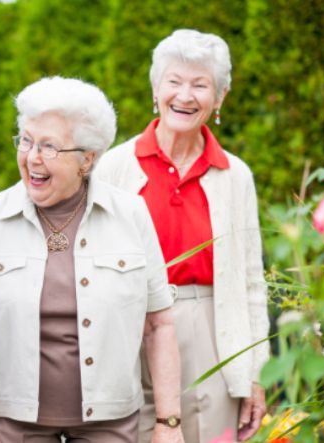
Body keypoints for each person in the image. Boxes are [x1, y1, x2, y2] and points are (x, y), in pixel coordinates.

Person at [0, 76, 185, 443]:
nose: (32, 157)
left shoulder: (130, 214)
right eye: (26, 141)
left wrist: (169, 423)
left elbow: (158, 325)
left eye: (49, 147)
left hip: (109, 422)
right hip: (13, 425)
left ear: (87, 159)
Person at [95, 29, 269, 443]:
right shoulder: (112, 168)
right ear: (156, 89)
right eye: (174, 81)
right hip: (129, 330)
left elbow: (250, 282)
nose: (185, 96)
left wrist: (255, 374)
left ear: (220, 97)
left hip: (208, 331)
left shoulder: (234, 175)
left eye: (200, 84)